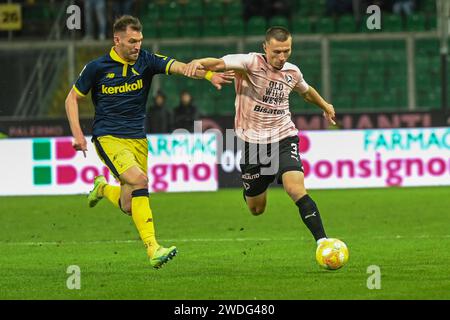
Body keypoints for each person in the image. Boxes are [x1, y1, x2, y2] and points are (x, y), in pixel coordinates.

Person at [65, 15, 233, 269]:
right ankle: (153, 248)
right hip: (108, 137)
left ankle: (101, 188)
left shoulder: (146, 61)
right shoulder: (96, 67)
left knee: (128, 205)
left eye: (140, 41)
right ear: (117, 39)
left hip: (138, 140)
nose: (137, 46)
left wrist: (209, 75)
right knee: (140, 181)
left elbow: (181, 67)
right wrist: (77, 134)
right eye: (132, 41)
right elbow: (71, 99)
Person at [184, 26, 336, 251]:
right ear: (265, 48)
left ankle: (323, 243)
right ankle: (256, 184)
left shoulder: (292, 72)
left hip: (284, 137)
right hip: (253, 145)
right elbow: (217, 63)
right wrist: (199, 62)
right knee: (257, 209)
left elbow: (305, 91)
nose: (282, 57)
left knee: (296, 189)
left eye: (286, 51)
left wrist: (325, 105)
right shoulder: (249, 63)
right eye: (276, 52)